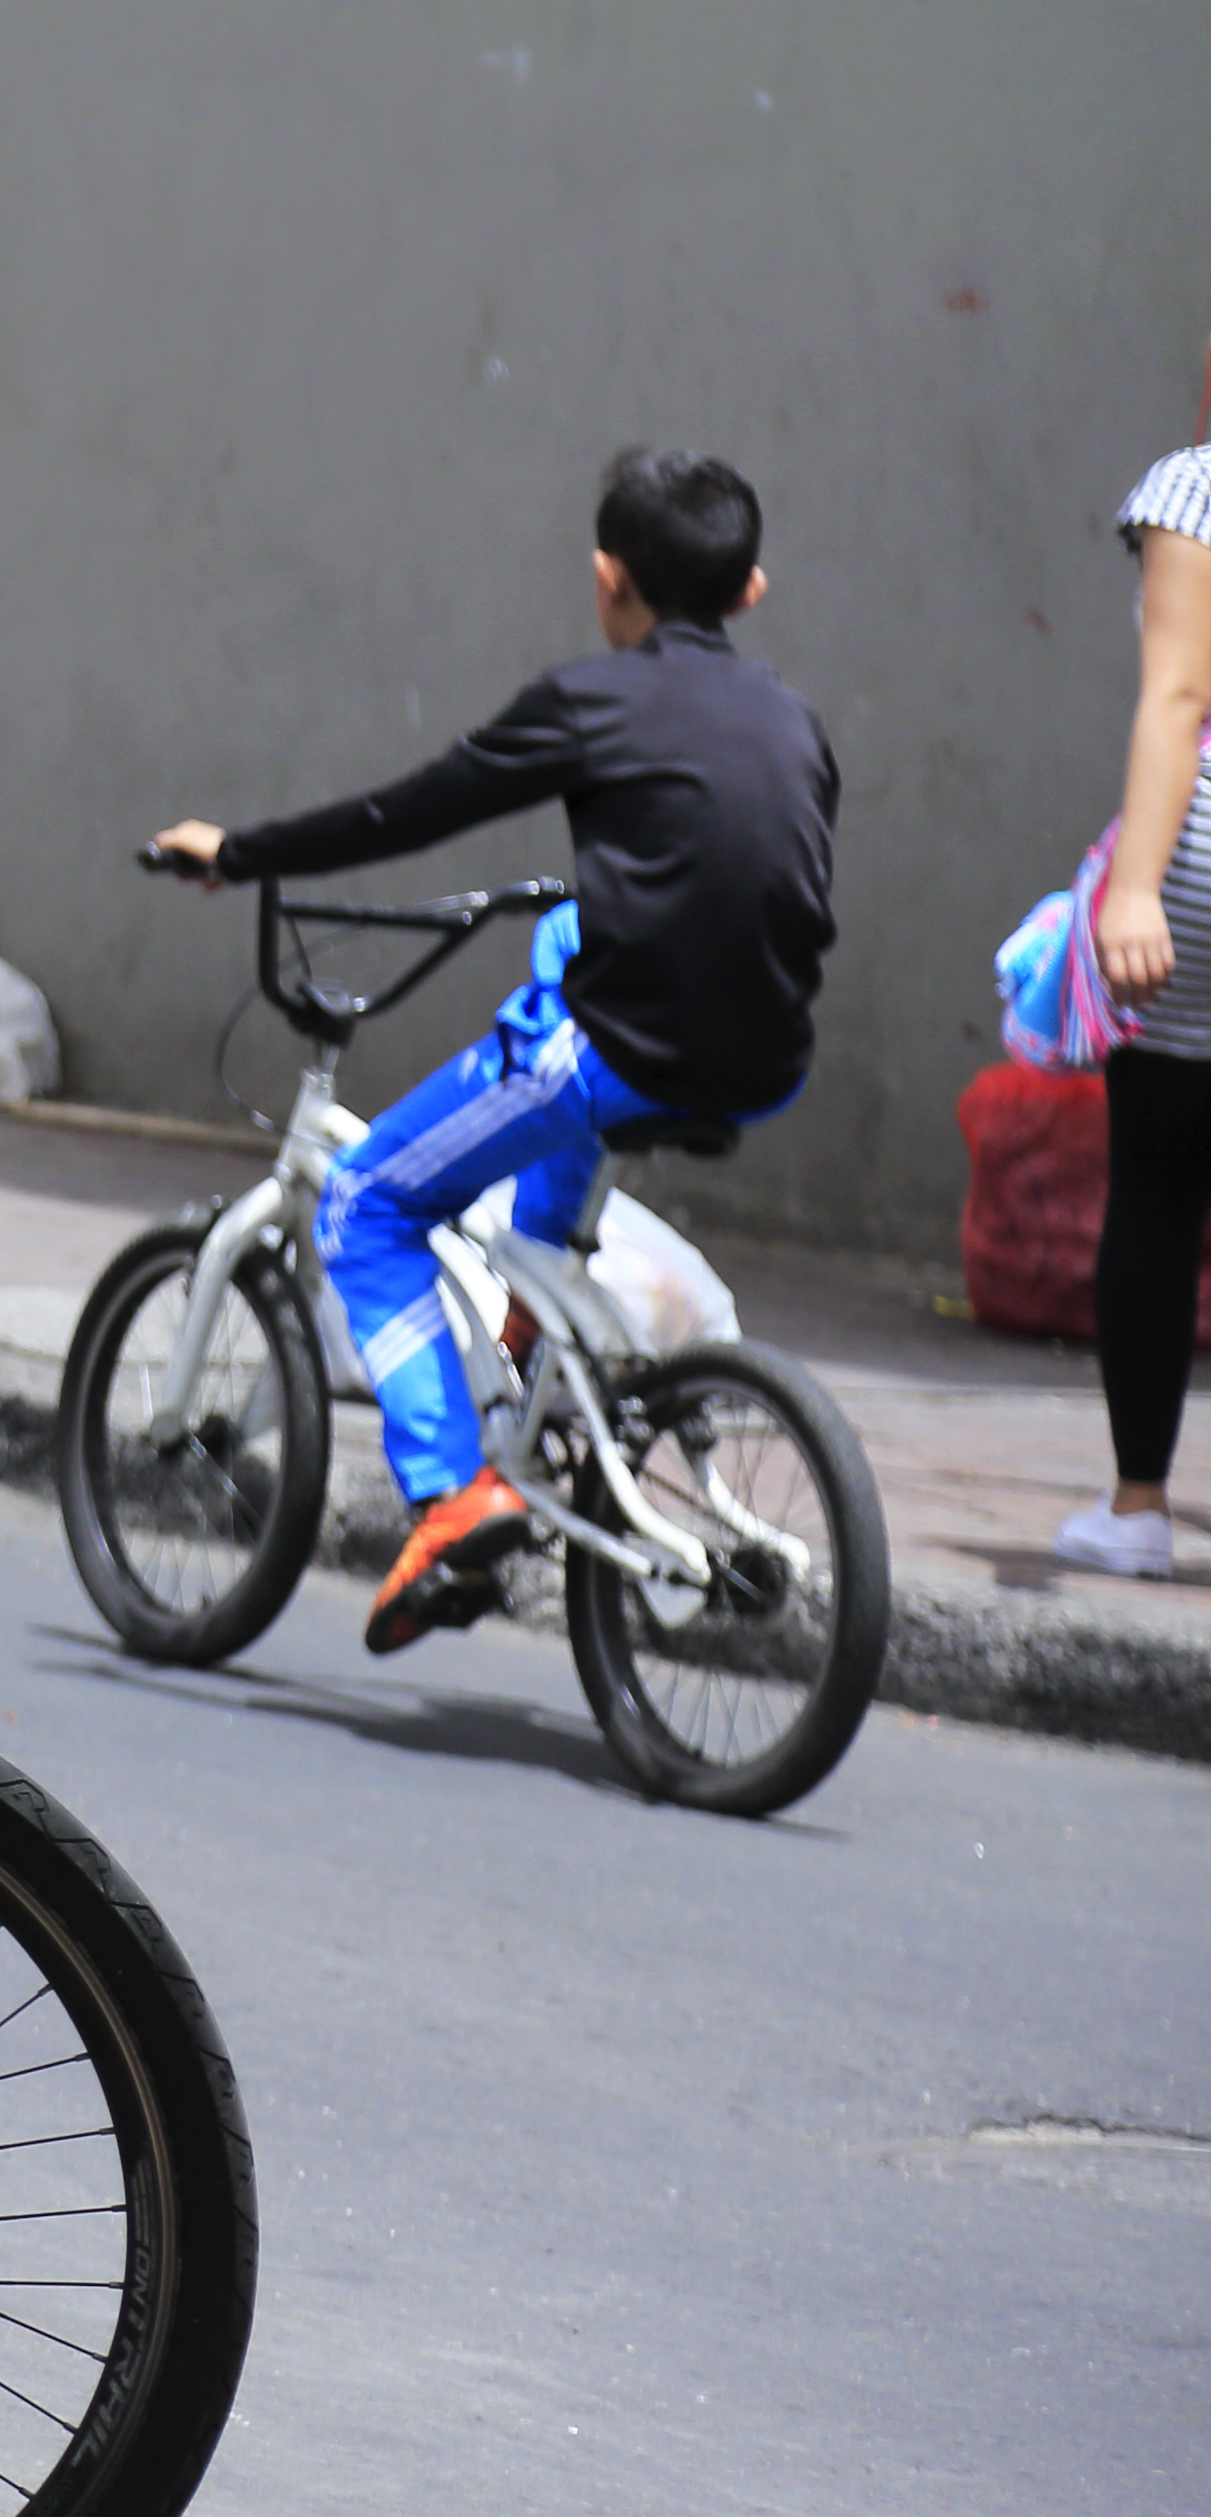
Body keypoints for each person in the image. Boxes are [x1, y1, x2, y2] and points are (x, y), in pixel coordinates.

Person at [152, 447, 839, 1646]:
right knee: (562, 1006)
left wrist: (243, 851)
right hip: (770, 1061)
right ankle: (535, 1338)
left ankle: (448, 1497)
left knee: (368, 1198)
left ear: (606, 577)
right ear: (751, 591)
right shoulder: (795, 718)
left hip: (626, 1054)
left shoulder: (590, 699)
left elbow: (409, 809)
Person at [1059, 359, 1211, 1580]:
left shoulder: (1194, 491)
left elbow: (1177, 693)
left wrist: (1132, 886)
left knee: (1159, 1185)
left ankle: (1138, 1507)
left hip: (1200, 884)